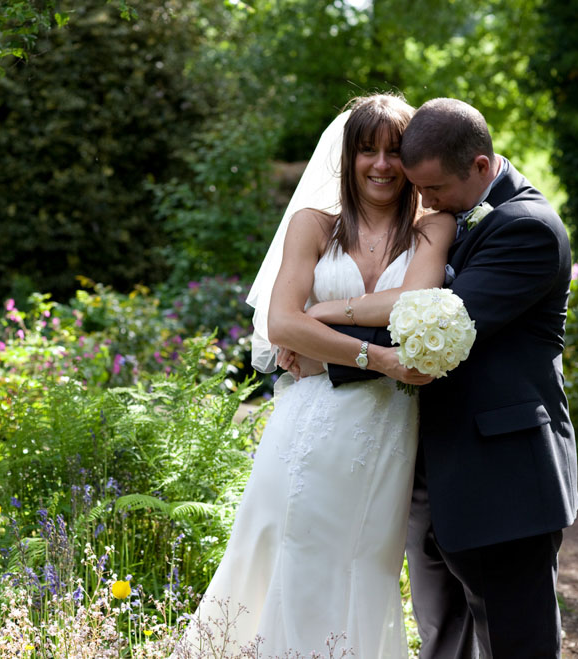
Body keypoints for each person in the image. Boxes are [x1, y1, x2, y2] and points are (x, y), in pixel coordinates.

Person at [176, 94, 455, 658]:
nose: (381, 164)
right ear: (347, 156)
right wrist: (377, 358)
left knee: (363, 563)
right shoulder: (312, 225)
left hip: (386, 432)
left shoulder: (433, 228)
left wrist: (319, 317)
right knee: (289, 549)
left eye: (395, 151)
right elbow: (281, 323)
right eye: (367, 150)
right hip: (307, 423)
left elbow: (415, 300)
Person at [315, 98, 578, 658]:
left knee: (517, 643)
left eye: (433, 190)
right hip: (437, 469)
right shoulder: (454, 213)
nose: (424, 202)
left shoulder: (526, 230)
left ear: (481, 167)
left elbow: (438, 330)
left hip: (504, 481)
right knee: (446, 640)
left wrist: (319, 348)